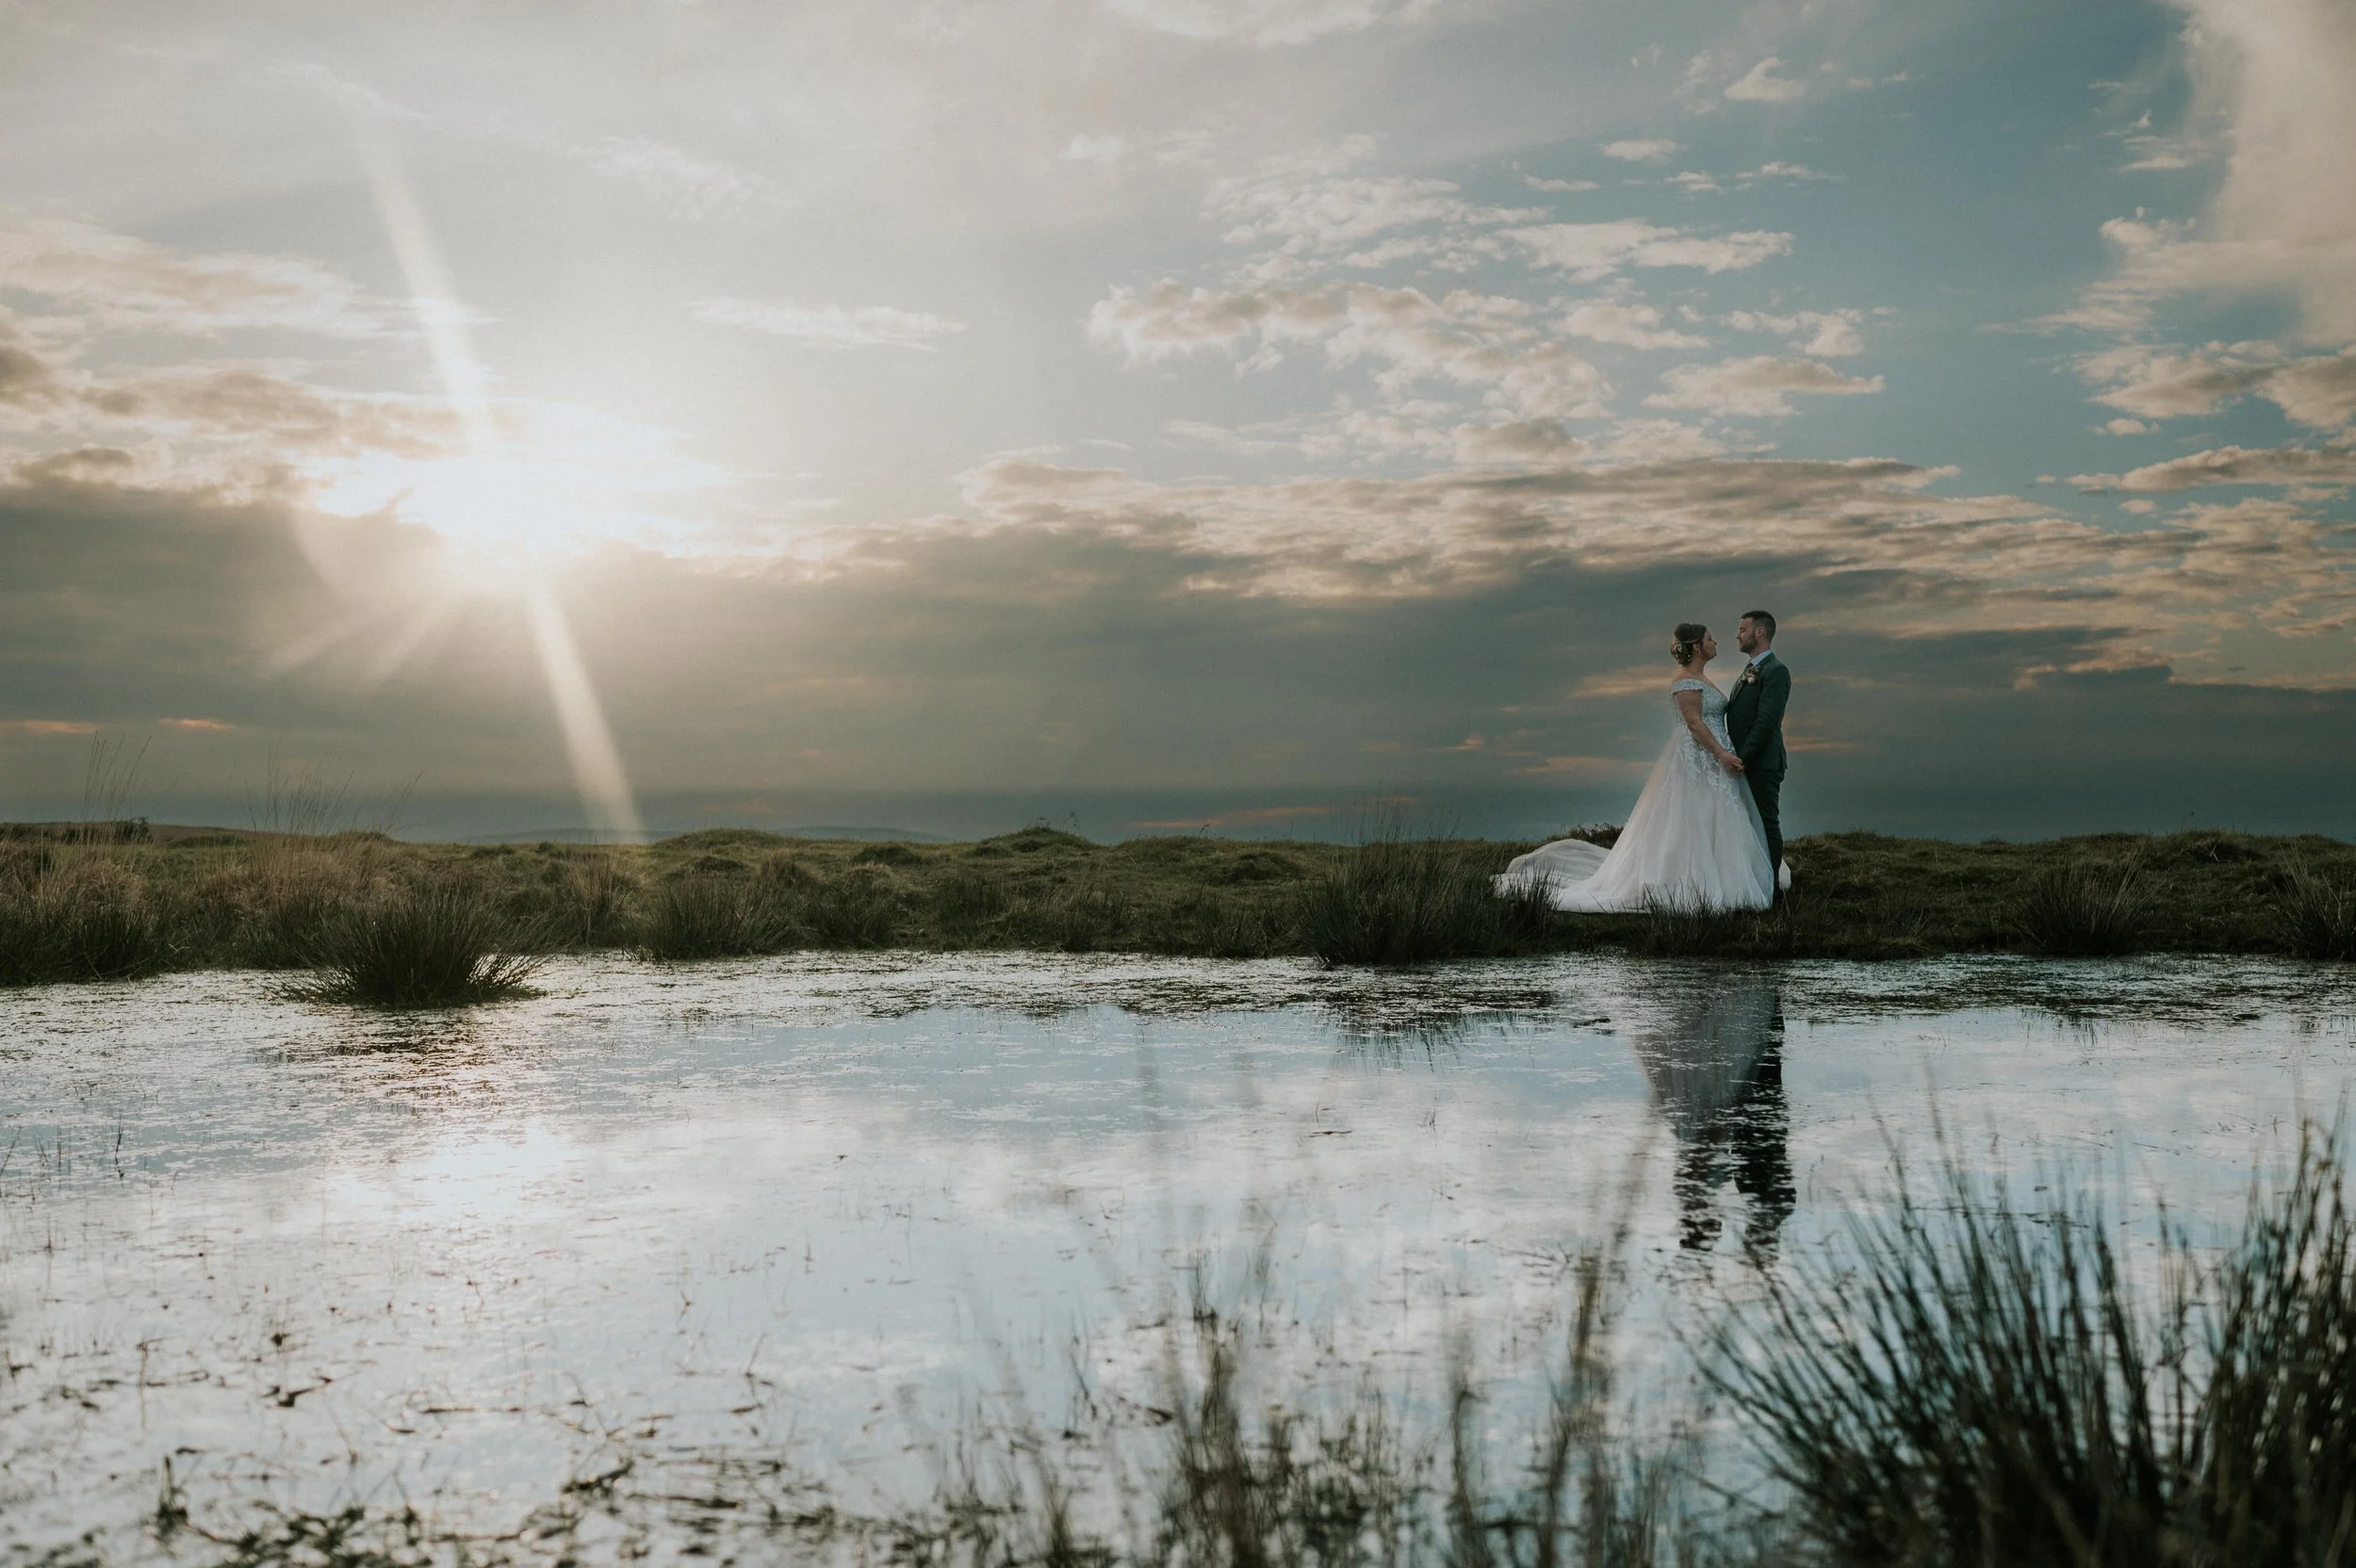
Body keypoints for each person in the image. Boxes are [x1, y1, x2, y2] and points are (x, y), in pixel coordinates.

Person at [1493, 621, 1775, 911]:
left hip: (1714, 760)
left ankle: (1726, 876)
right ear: (1696, 647)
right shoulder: (1684, 681)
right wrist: (1720, 754)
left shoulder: (1702, 678)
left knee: (1717, 816)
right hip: (1699, 758)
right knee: (1693, 816)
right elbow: (1694, 723)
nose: (1716, 642)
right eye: (1710, 639)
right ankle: (1689, 883)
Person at [1725, 611, 1791, 897]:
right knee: (1750, 825)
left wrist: (1742, 757)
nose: (1738, 635)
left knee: (1766, 821)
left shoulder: (1776, 671)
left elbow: (1766, 721)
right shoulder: (1749, 670)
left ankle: (1771, 889)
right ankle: (1754, 884)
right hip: (1747, 762)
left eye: (1742, 629)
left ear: (1759, 632)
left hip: (1762, 762)